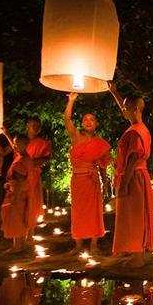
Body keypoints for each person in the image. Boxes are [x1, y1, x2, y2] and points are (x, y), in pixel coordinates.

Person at [107, 82, 153, 266]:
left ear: (135, 109)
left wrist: (125, 183)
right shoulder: (139, 127)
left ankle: (137, 257)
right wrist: (114, 92)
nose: (123, 110)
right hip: (136, 175)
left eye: (126, 108)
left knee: (134, 215)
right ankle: (132, 249)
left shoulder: (135, 132)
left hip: (133, 177)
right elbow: (125, 108)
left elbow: (133, 159)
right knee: (129, 214)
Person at [64, 93, 112, 255]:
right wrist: (71, 101)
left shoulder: (100, 143)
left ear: (96, 124)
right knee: (77, 211)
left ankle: (93, 244)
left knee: (94, 211)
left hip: (92, 181)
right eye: (85, 119)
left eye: (91, 119)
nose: (88, 121)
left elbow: (103, 166)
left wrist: (105, 182)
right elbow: (67, 120)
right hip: (77, 180)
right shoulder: (76, 137)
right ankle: (78, 244)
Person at [0, 134, 33, 253]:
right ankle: (18, 245)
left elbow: (20, 179)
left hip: (18, 192)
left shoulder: (24, 159)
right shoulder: (20, 156)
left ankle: (18, 246)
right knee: (16, 217)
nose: (14, 146)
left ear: (25, 144)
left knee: (16, 218)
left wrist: (15, 193)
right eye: (14, 143)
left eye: (17, 143)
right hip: (16, 190)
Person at [25, 117, 53, 231]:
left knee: (32, 201)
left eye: (38, 126)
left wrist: (32, 162)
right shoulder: (21, 140)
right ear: (27, 125)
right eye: (33, 125)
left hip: (33, 174)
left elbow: (47, 158)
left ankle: (30, 230)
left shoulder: (42, 143)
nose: (35, 128)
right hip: (19, 174)